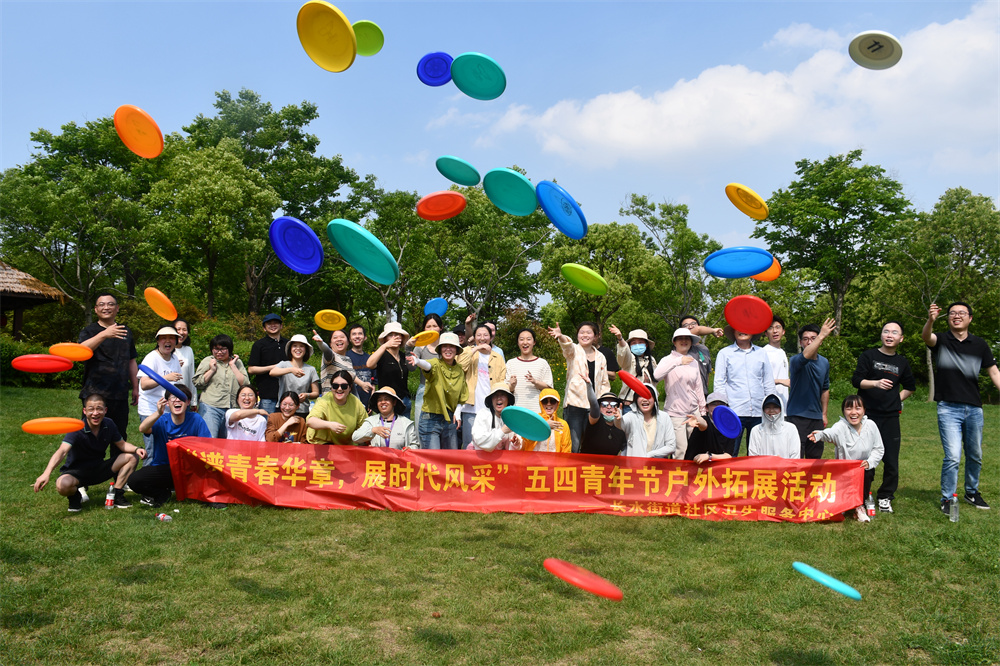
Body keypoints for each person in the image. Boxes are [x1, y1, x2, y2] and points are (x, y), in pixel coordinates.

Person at [922, 301, 1000, 512]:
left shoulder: (980, 344)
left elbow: (994, 372)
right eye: (952, 313)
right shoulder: (941, 340)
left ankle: (971, 492)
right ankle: (947, 498)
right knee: (953, 456)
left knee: (975, 454)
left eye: (962, 313)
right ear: (948, 318)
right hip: (948, 408)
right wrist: (930, 320)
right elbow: (926, 337)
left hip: (974, 408)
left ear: (970, 318)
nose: (957, 316)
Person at [33, 393, 144, 511]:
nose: (95, 413)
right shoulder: (76, 428)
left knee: (132, 457)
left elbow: (122, 444)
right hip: (76, 472)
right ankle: (75, 497)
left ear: (105, 410)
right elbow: (62, 451)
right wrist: (46, 473)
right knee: (62, 485)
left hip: (98, 469)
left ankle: (116, 494)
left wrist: (137, 449)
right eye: (91, 409)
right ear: (85, 411)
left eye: (99, 409)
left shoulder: (109, 424)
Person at [852, 320, 916, 513]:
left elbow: (910, 387)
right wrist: (875, 383)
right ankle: (861, 494)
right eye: (886, 331)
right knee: (863, 456)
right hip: (867, 416)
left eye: (894, 332)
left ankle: (885, 496)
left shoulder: (902, 362)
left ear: (901, 338)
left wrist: (896, 399)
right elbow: (856, 380)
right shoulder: (868, 356)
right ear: (881, 335)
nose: (889, 335)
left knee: (891, 459)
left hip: (890, 417)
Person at [808, 395, 884, 523]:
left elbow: (878, 448)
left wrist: (870, 462)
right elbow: (831, 433)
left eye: (858, 408)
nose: (853, 412)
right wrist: (820, 435)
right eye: (849, 409)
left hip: (863, 469)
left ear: (864, 410)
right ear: (843, 411)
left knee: (867, 474)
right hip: (844, 471)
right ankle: (843, 505)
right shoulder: (841, 426)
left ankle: (859, 506)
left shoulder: (871, 425)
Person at [132, 384, 211, 507]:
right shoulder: (162, 420)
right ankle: (162, 494)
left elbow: (207, 445)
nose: (177, 400)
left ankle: (208, 497)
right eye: (173, 397)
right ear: (167, 403)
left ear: (188, 402)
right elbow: (143, 428)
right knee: (134, 480)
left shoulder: (196, 418)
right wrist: (158, 413)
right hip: (165, 468)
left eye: (181, 397)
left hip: (189, 469)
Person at [77, 292, 138, 440]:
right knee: (90, 437)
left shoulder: (126, 331)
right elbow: (80, 351)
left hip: (120, 394)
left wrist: (136, 387)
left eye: (110, 304)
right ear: (96, 309)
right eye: (102, 304)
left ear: (117, 308)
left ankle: (118, 457)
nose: (106, 307)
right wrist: (104, 334)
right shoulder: (89, 331)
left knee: (119, 436)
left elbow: (131, 361)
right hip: (95, 393)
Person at [548, 321, 611, 454]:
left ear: (595, 336)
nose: (585, 335)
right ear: (577, 335)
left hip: (594, 406)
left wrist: (602, 403)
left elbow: (605, 383)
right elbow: (567, 346)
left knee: (591, 443)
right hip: (574, 405)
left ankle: (589, 466)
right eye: (582, 332)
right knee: (573, 444)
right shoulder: (574, 351)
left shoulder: (601, 357)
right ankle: (570, 466)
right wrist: (561, 336)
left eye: (589, 332)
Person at [713, 326, 775, 456]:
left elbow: (768, 382)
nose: (743, 331)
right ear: (733, 332)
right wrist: (722, 408)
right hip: (734, 410)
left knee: (758, 453)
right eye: (738, 328)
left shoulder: (761, 353)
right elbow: (719, 382)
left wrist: (772, 406)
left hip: (758, 410)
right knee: (730, 453)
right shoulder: (725, 353)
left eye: (746, 328)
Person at [408, 332, 468, 450]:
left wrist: (457, 412)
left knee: (450, 457)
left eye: (451, 346)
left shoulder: (460, 370)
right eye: (444, 346)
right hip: (430, 418)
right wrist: (418, 361)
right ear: (440, 349)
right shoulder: (436, 363)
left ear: (456, 350)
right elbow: (428, 365)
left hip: (450, 420)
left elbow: (462, 395)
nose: (448, 349)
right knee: (433, 458)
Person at [653, 328, 707, 460]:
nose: (684, 341)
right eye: (680, 339)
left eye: (687, 339)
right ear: (674, 342)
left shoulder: (694, 362)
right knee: (680, 450)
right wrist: (677, 362)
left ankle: (693, 473)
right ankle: (678, 473)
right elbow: (657, 376)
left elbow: (698, 387)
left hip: (694, 411)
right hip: (676, 412)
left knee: (696, 447)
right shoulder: (667, 360)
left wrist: (702, 410)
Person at [786, 319, 835, 460]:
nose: (809, 342)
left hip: (816, 418)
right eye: (806, 339)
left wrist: (824, 414)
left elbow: (825, 389)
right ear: (801, 342)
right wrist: (821, 335)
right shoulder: (795, 360)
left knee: (815, 458)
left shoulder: (824, 362)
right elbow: (806, 355)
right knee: (796, 457)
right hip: (797, 416)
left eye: (813, 338)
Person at [457, 323, 507, 448]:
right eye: (479, 335)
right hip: (471, 407)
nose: (482, 338)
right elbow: (460, 367)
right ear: (474, 337)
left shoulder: (497, 357)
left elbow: (502, 381)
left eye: (485, 335)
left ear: (491, 337)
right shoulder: (467, 351)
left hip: (491, 408)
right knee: (470, 445)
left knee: (492, 444)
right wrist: (476, 349)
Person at [137, 326, 183, 458]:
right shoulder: (152, 358)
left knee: (167, 450)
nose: (167, 341)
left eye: (171, 338)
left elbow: (176, 385)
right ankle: (148, 471)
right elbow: (144, 384)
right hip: (151, 409)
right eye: (163, 338)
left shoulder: (174, 359)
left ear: (176, 341)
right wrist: (165, 378)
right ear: (157, 341)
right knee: (153, 450)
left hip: (168, 410)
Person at [193, 334, 248, 439]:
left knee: (229, 440)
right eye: (216, 349)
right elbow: (197, 382)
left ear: (229, 349)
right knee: (210, 439)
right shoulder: (208, 361)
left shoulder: (237, 362)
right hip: (211, 407)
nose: (219, 352)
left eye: (223, 349)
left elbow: (245, 384)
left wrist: (233, 366)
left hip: (232, 409)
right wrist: (212, 370)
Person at [306, 369, 367, 445]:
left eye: (344, 386)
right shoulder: (324, 401)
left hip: (346, 445)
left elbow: (365, 426)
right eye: (335, 386)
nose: (339, 389)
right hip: (322, 443)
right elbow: (310, 421)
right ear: (331, 387)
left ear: (350, 388)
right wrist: (329, 425)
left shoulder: (356, 402)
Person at [618, 383, 677, 458]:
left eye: (648, 396)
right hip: (636, 463)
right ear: (636, 399)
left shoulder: (664, 417)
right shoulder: (631, 416)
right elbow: (621, 424)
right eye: (640, 396)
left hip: (658, 464)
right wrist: (617, 419)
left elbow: (671, 446)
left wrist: (650, 455)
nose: (645, 399)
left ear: (655, 399)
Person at [366, 322, 412, 417]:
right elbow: (369, 364)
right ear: (385, 339)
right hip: (387, 402)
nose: (394, 337)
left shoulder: (403, 356)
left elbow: (413, 368)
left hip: (404, 401)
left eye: (397, 334)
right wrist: (384, 346)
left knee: (405, 426)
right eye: (390, 335)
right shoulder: (382, 355)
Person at [247, 314, 289, 414]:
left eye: (275, 323)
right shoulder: (259, 345)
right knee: (267, 422)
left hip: (288, 393)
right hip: (268, 395)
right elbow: (251, 369)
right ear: (264, 328)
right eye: (269, 323)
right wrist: (274, 367)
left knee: (289, 423)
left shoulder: (289, 344)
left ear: (281, 326)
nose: (273, 325)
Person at [409, 314, 442, 436]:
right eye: (428, 326)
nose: (432, 329)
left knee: (442, 427)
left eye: (435, 326)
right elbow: (411, 368)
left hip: (443, 390)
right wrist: (409, 349)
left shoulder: (446, 346)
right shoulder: (420, 347)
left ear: (441, 327)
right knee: (420, 426)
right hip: (424, 389)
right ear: (424, 329)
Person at [353, 387, 418, 449]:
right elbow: (355, 438)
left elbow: (415, 445)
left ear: (394, 402)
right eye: (380, 400)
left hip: (397, 457)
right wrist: (372, 431)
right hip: (377, 457)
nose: (383, 402)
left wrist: (410, 448)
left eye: (386, 399)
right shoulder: (371, 421)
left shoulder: (406, 424)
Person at [505, 328, 553, 411]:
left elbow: (549, 388)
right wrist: (512, 385)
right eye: (521, 339)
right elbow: (506, 389)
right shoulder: (510, 363)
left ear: (534, 342)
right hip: (516, 410)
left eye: (528, 339)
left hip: (537, 411)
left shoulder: (542, 363)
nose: (525, 342)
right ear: (518, 343)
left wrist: (535, 382)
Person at [271, 334, 320, 415]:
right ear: (290, 349)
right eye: (295, 346)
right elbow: (272, 372)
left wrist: (306, 395)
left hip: (302, 410)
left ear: (306, 350)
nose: (298, 348)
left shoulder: (311, 369)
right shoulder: (283, 364)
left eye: (301, 346)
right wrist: (290, 370)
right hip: (284, 409)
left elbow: (316, 393)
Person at [610, 326, 658, 410]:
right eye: (634, 343)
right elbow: (623, 354)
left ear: (646, 345)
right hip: (630, 404)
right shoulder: (629, 359)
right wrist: (620, 338)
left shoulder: (651, 360)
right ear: (629, 345)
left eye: (640, 342)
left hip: (648, 403)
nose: (637, 345)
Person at [579, 374, 626, 456]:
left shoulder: (622, 427)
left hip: (610, 464)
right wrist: (589, 385)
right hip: (588, 463)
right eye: (604, 404)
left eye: (613, 404)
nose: (609, 407)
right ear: (599, 408)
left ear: (618, 408)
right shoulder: (596, 420)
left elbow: (626, 448)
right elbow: (593, 404)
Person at [469, 383, 522, 451]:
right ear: (491, 400)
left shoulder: (511, 418)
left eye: (502, 395)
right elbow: (480, 441)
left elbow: (510, 449)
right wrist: (502, 431)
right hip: (479, 455)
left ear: (508, 399)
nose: (499, 398)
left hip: (499, 457)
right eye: (495, 395)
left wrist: (515, 443)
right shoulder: (483, 414)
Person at [685, 391, 735, 464]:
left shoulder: (730, 427)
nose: (717, 407)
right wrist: (697, 419)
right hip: (695, 466)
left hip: (717, 467)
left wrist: (709, 456)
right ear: (707, 408)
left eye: (721, 404)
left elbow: (728, 455)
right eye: (713, 404)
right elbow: (703, 424)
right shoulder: (706, 420)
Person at [679, 315, 721, 396]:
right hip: (685, 395)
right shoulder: (681, 346)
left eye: (693, 323)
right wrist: (713, 330)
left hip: (703, 395)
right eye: (685, 325)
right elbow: (697, 330)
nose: (690, 326)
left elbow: (707, 373)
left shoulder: (704, 349)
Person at [748, 394, 800, 459]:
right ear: (763, 410)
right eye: (768, 407)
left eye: (775, 407)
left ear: (781, 409)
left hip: (786, 465)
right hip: (762, 465)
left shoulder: (791, 429)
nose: (771, 410)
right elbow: (753, 456)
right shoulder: (756, 430)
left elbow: (795, 455)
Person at [522, 388, 572, 453]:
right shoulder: (533, 420)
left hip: (554, 459)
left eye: (552, 401)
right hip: (533, 458)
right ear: (541, 403)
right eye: (545, 401)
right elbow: (526, 439)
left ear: (557, 403)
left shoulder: (563, 424)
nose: (549, 404)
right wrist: (544, 426)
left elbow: (566, 450)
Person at [313, 328, 357, 396]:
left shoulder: (348, 360)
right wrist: (321, 343)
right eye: (335, 337)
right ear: (330, 344)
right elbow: (327, 351)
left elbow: (352, 387)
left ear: (348, 342)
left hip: (346, 401)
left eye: (342, 337)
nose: (339, 339)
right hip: (330, 401)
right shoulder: (331, 356)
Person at [763, 316, 790, 410]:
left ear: (783, 331)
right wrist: (781, 381)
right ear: (766, 333)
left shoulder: (782, 352)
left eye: (778, 327)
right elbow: (759, 381)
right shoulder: (764, 353)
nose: (775, 331)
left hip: (784, 404)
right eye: (770, 328)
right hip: (770, 406)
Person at [347, 323, 377, 407]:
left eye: (360, 334)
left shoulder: (370, 359)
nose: (357, 336)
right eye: (354, 334)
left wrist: (372, 401)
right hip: (349, 403)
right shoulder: (345, 357)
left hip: (367, 403)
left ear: (365, 337)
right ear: (349, 338)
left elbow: (373, 382)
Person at [171, 318, 198, 409]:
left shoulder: (188, 350)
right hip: (168, 398)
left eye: (184, 330)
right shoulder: (166, 351)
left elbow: (192, 376)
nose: (181, 332)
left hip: (184, 398)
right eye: (178, 329)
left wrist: (193, 401)